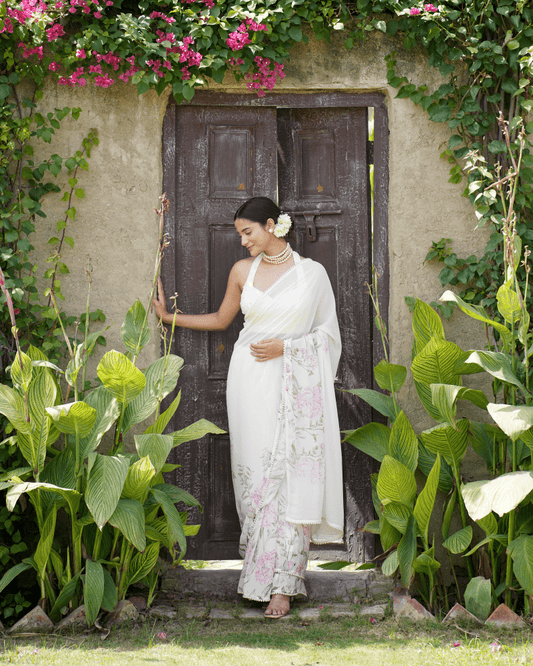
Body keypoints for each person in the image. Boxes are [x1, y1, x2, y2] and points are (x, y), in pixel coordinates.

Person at [153, 196, 344, 618]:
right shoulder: (243, 271)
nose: (242, 241)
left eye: (248, 232)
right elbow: (222, 320)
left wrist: (286, 347)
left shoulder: (312, 275)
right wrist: (170, 318)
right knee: (256, 476)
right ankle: (257, 575)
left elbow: (328, 337)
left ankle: (284, 584)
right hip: (249, 382)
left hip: (294, 381)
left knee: (292, 474)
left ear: (272, 225)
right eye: (240, 233)